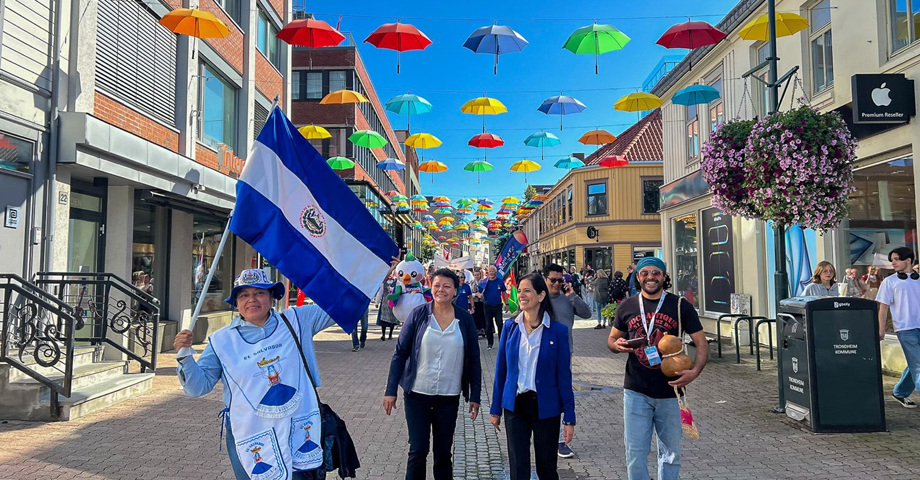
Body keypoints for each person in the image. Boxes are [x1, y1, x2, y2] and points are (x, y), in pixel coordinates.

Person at [173, 268, 356, 479]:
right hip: (250, 432)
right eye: (243, 295)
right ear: (236, 303)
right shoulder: (221, 341)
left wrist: (372, 274)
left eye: (259, 292)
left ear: (271, 297)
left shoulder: (297, 321)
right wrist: (185, 357)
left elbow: (342, 304)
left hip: (297, 423)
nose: (251, 299)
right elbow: (197, 388)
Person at [607, 257, 708, 480]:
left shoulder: (680, 305)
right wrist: (617, 345)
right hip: (636, 390)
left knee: (671, 454)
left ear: (664, 276)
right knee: (635, 452)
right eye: (645, 273)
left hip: (671, 391)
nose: (650, 277)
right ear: (638, 277)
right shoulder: (628, 306)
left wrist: (694, 372)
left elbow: (701, 343)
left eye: (656, 273)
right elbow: (612, 340)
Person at [384, 268, 482, 480]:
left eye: (447, 286)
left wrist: (475, 395)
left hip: (448, 396)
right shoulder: (418, 315)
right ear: (431, 286)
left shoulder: (464, 319)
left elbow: (474, 359)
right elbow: (400, 353)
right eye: (437, 285)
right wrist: (390, 391)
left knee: (443, 453)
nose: (441, 290)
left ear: (455, 290)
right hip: (417, 394)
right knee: (418, 450)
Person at [489, 273, 575, 480]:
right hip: (515, 406)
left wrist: (569, 417)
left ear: (541, 295)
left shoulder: (558, 331)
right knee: (518, 470)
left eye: (527, 291)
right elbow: (501, 370)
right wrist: (495, 409)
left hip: (545, 406)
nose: (521, 295)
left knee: (546, 469)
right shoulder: (510, 327)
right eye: (519, 291)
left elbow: (564, 376)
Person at [542, 263, 591, 458]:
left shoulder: (567, 298)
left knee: (562, 394)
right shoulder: (539, 299)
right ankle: (546, 436)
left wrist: (572, 295)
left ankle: (560, 440)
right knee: (545, 395)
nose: (556, 283)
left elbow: (587, 313)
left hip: (564, 354)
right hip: (542, 354)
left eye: (559, 280)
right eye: (552, 280)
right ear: (545, 279)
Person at [876, 247, 920, 409]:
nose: (893, 263)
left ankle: (900, 392)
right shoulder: (889, 282)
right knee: (918, 365)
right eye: (892, 260)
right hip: (905, 329)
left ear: (908, 260)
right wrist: (881, 329)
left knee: (914, 362)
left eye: (896, 259)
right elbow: (883, 308)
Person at [479, 266, 507, 350]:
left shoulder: (500, 281)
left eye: (493, 271)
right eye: (490, 271)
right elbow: (478, 292)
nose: (491, 273)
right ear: (488, 272)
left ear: (495, 272)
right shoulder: (484, 282)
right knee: (488, 325)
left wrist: (507, 304)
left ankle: (501, 342)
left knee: (500, 324)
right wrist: (479, 294)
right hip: (487, 306)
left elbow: (504, 292)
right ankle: (490, 343)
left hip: (498, 306)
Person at [376, 275, 400, 341]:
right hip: (391, 302)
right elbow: (380, 293)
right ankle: (389, 334)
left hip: (386, 302)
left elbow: (380, 293)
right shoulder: (395, 283)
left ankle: (385, 334)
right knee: (391, 318)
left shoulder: (384, 284)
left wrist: (377, 302)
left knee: (384, 318)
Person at [471, 269, 486, 337]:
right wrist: (476, 294)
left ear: (480, 275)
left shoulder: (483, 282)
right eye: (475, 275)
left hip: (482, 302)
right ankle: (477, 329)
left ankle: (484, 329)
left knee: (483, 315)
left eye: (478, 275)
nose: (476, 276)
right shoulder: (472, 283)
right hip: (475, 302)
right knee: (475, 316)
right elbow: (470, 293)